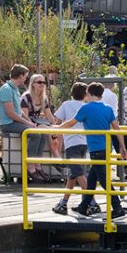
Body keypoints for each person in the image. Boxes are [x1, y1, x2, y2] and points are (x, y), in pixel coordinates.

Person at [56, 82, 127, 219]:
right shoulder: (107, 109)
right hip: (106, 148)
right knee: (91, 180)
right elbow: (117, 129)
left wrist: (55, 129)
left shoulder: (86, 109)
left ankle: (118, 209)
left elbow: (71, 123)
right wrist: (122, 147)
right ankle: (83, 207)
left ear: (88, 94)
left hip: (95, 149)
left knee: (105, 181)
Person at [0, 65, 46, 181]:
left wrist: (30, 121)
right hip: (8, 124)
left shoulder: (14, 89)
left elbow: (18, 111)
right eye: (25, 76)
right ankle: (29, 165)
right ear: (20, 76)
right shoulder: (6, 89)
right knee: (35, 134)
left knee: (42, 133)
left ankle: (37, 163)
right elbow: (11, 113)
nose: (26, 79)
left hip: (15, 121)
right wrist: (27, 123)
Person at [51, 82, 90, 215]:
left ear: (72, 94)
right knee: (73, 175)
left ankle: (92, 201)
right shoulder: (86, 106)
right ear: (86, 95)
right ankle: (63, 203)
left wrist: (54, 134)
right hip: (84, 141)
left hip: (72, 142)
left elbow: (58, 121)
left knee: (78, 173)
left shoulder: (66, 104)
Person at [20, 73, 58, 181]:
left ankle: (38, 164)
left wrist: (53, 126)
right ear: (33, 84)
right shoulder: (26, 97)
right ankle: (31, 165)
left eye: (44, 82)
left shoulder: (43, 98)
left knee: (43, 135)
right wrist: (38, 125)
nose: (42, 85)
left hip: (36, 122)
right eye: (39, 82)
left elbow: (49, 115)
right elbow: (25, 116)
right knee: (38, 134)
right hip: (25, 122)